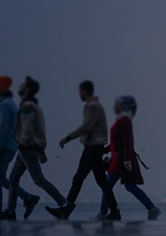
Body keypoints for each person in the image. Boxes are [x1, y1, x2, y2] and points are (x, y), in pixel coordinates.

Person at [48, 80, 119, 221]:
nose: (79, 94)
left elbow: (87, 126)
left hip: (93, 147)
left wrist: (68, 138)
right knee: (79, 178)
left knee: (101, 180)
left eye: (80, 91)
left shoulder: (93, 107)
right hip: (90, 147)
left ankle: (115, 211)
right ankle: (66, 208)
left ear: (85, 91)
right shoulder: (92, 106)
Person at [3, 76, 69, 221]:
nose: (19, 86)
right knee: (13, 178)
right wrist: (41, 150)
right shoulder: (32, 105)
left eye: (22, 85)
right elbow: (39, 130)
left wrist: (20, 144)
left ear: (27, 90)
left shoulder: (28, 106)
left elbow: (27, 131)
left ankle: (64, 204)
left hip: (27, 149)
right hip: (26, 150)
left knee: (39, 180)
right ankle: (10, 211)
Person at [0, 76, 39, 220]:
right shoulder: (3, 104)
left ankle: (28, 198)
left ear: (1, 88)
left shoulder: (5, 105)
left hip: (5, 147)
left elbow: (3, 129)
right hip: (3, 145)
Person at [97, 95, 160, 220]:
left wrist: (126, 159)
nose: (113, 107)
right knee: (129, 186)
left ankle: (103, 212)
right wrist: (103, 151)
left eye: (116, 104)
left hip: (121, 159)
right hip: (120, 158)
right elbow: (117, 142)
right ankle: (152, 208)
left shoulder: (124, 121)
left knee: (108, 185)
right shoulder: (121, 120)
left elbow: (128, 141)